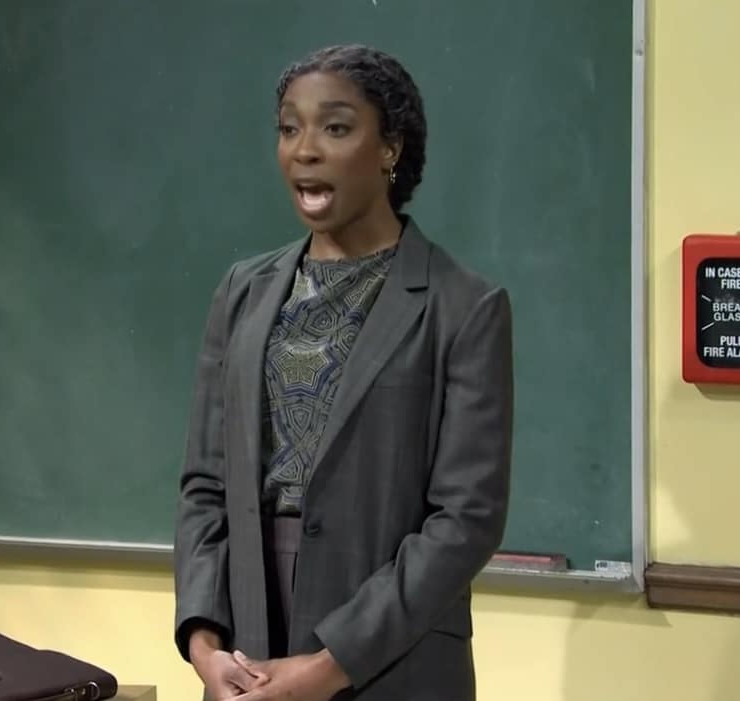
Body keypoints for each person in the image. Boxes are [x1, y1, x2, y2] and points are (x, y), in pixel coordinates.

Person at [173, 43, 514, 701]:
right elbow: (206, 485)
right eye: (289, 128)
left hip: (392, 659)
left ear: (390, 147)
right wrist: (204, 644)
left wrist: (329, 665)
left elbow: (465, 518)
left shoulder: (463, 306)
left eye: (335, 127)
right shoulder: (242, 292)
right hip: (246, 650)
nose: (304, 149)